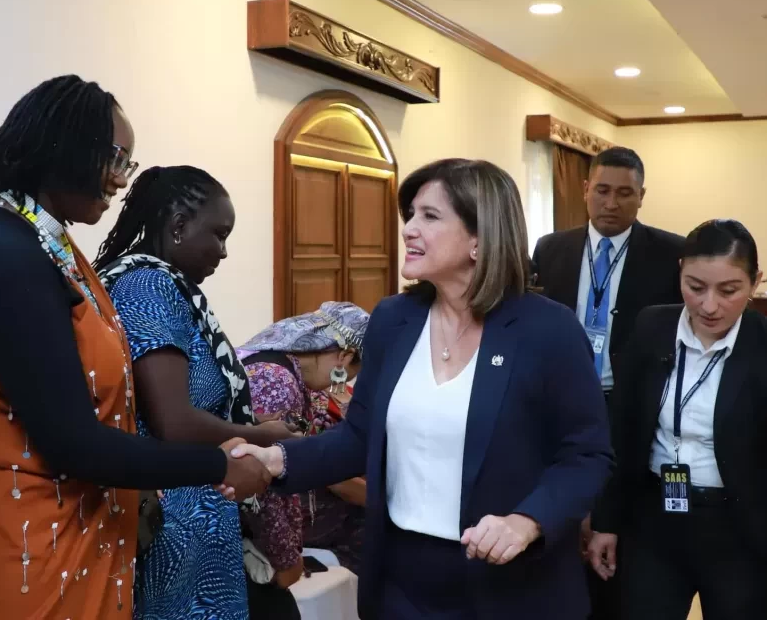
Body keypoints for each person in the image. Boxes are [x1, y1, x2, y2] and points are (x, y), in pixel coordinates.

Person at [0, 78, 268, 620]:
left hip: (74, 532)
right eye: (116, 158)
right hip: (28, 545)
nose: (121, 178)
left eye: (127, 163)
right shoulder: (5, 254)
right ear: (65, 145)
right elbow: (73, 443)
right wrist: (218, 465)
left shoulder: (41, 241)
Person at [233, 158, 613, 619]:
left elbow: (586, 455)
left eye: (430, 216)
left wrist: (527, 521)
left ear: (479, 238)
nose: (409, 229)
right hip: (401, 581)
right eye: (410, 215)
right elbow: (359, 438)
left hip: (512, 586)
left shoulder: (548, 330)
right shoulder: (394, 320)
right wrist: (277, 460)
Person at [94, 165, 298, 620]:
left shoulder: (165, 285)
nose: (223, 251)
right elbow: (173, 421)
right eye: (218, 235)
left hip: (194, 516)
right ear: (180, 226)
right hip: (174, 524)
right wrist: (264, 436)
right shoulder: (148, 286)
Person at [531, 146, 683, 618]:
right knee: (563, 506)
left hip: (629, 402)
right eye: (602, 190)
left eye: (624, 193)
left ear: (642, 196)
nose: (611, 203)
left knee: (619, 512)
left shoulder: (671, 254)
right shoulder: (550, 249)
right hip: (561, 400)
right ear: (584, 190)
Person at [589, 220, 767, 619]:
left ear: (755, 281)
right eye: (695, 286)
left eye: (729, 290)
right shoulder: (652, 326)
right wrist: (606, 521)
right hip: (655, 518)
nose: (709, 306)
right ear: (680, 270)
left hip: (737, 526)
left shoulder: (761, 345)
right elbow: (624, 430)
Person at [238, 302, 370, 619]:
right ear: (344, 357)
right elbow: (264, 485)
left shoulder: (287, 369)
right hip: (239, 528)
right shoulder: (277, 382)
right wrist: (287, 559)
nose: (343, 382)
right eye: (350, 373)